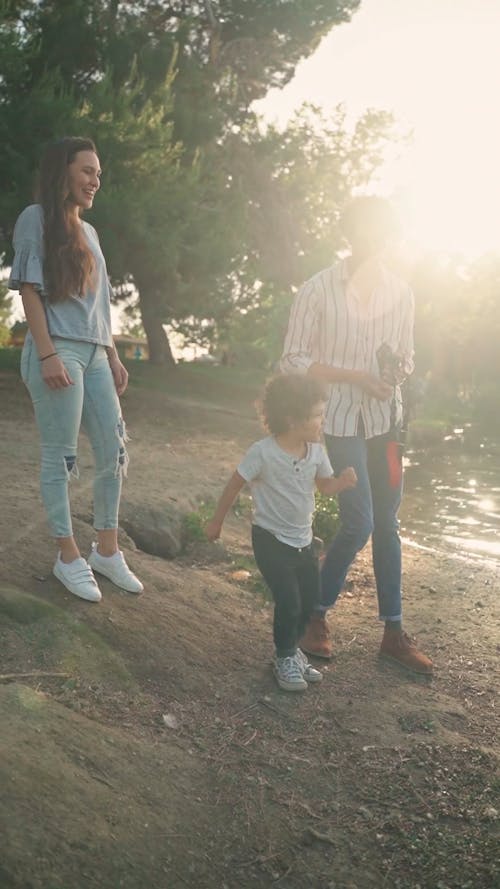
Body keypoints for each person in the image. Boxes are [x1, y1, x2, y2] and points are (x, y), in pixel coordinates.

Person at [281, 195, 433, 674]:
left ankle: (393, 632)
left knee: (388, 524)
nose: (377, 240)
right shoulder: (317, 290)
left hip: (387, 425)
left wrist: (395, 373)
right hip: (341, 421)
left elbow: (407, 355)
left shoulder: (402, 293)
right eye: (368, 231)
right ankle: (314, 615)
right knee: (360, 521)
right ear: (352, 235)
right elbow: (292, 361)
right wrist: (354, 376)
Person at [8, 136, 143, 602]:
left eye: (99, 174)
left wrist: (113, 354)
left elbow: (100, 302)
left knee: (114, 451)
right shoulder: (36, 218)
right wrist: (45, 355)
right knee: (61, 456)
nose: (95, 181)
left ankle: (106, 550)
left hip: (94, 352)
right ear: (62, 171)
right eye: (87, 171)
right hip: (58, 348)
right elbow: (29, 290)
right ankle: (67, 557)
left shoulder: (92, 233)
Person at [205, 374, 357, 692]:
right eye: (316, 415)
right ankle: (284, 656)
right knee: (288, 600)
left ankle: (295, 651)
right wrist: (217, 521)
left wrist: (340, 483)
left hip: (303, 541)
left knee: (308, 600)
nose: (322, 421)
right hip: (270, 540)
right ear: (292, 418)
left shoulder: (316, 451)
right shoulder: (263, 452)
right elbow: (236, 483)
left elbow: (324, 486)